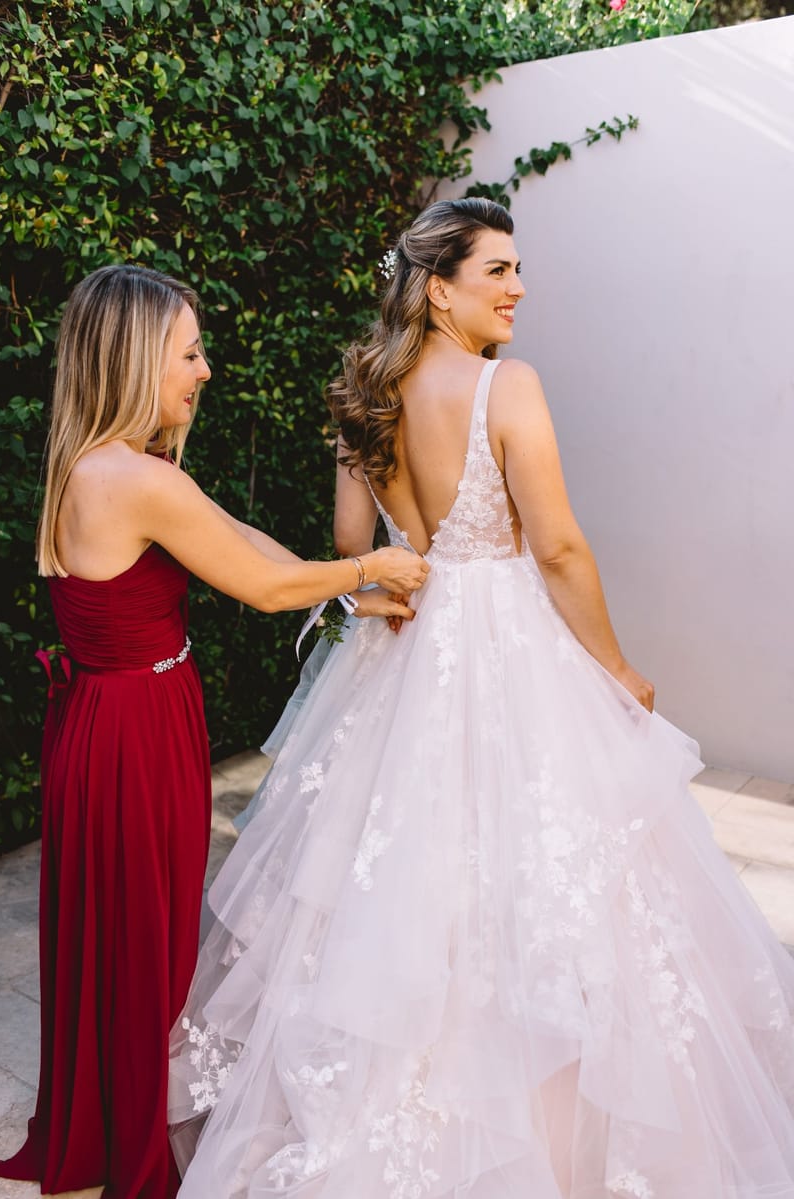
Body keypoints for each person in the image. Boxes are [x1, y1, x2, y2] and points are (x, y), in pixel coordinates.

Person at [167, 200, 794, 1197]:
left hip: (405, 647)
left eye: (516, 269)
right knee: (542, 887)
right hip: (506, 645)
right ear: (437, 285)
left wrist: (397, 580)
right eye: (496, 268)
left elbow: (347, 547)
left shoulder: (364, 394)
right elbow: (554, 547)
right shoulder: (508, 385)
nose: (516, 287)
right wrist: (618, 670)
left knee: (401, 887)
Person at [0, 263, 429, 1199]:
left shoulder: (112, 466)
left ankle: (103, 1121)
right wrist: (373, 566)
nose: (204, 370)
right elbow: (265, 587)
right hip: (132, 735)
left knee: (121, 934)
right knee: (144, 939)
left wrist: (356, 585)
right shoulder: (129, 479)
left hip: (117, 722)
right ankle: (129, 1144)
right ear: (139, 357)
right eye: (189, 352)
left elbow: (246, 540)